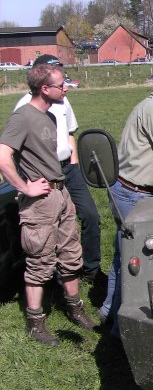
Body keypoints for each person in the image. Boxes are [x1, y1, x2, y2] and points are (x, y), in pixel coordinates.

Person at [0, 63, 97, 346]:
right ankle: (35, 322)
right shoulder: (23, 117)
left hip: (60, 192)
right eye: (61, 84)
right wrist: (25, 186)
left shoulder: (50, 117)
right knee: (40, 260)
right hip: (39, 201)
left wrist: (64, 196)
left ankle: (75, 308)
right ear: (45, 89)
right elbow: (3, 156)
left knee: (70, 253)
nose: (65, 88)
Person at [100, 59, 153, 338]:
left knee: (121, 256)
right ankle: (118, 326)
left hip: (130, 189)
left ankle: (109, 314)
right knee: (132, 258)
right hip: (133, 192)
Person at [15, 55, 104, 283]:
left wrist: (73, 163)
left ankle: (91, 269)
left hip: (69, 170)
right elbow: (12, 152)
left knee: (90, 216)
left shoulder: (63, 101)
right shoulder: (24, 109)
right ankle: (53, 273)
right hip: (42, 174)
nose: (64, 86)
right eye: (57, 78)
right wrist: (25, 183)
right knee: (50, 226)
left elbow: (70, 132)